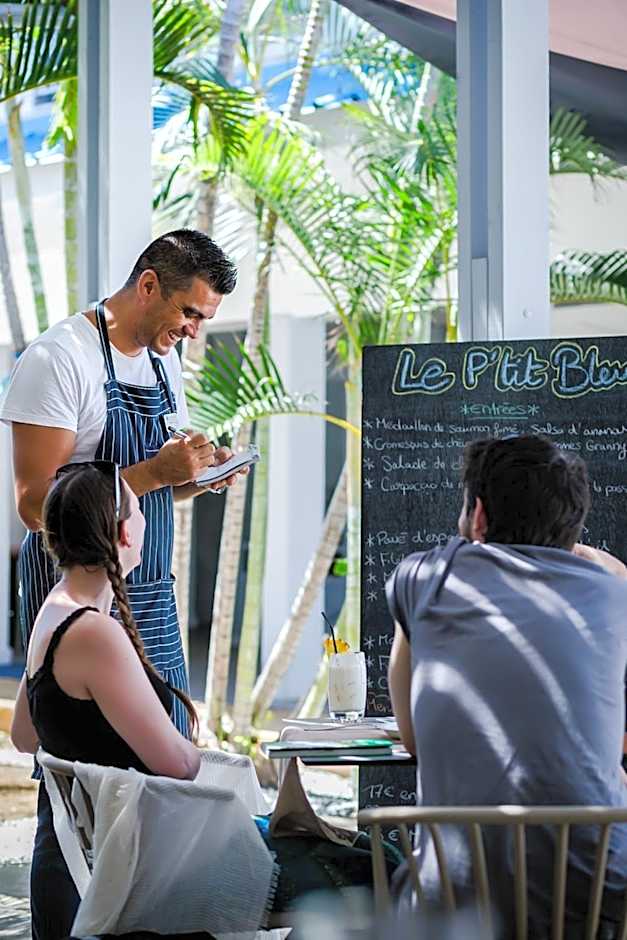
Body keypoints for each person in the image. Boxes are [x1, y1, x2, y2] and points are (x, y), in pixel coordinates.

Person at [10, 463, 398, 934]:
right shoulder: (93, 632)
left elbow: (24, 736)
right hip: (174, 860)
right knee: (382, 866)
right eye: (137, 511)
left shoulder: (53, 613)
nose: (145, 520)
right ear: (122, 535)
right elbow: (180, 765)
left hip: (148, 847)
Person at [0, 229, 245, 939]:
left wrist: (194, 479)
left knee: (158, 790)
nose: (194, 332)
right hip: (75, 589)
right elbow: (33, 501)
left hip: (150, 592)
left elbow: (144, 495)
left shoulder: (162, 364)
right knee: (74, 785)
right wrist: (153, 477)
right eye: (189, 314)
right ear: (148, 286)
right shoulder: (58, 359)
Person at [386, 435, 627, 937]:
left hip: (454, 901)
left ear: (477, 516)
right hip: (593, 902)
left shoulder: (425, 576)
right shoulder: (613, 593)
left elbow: (412, 740)